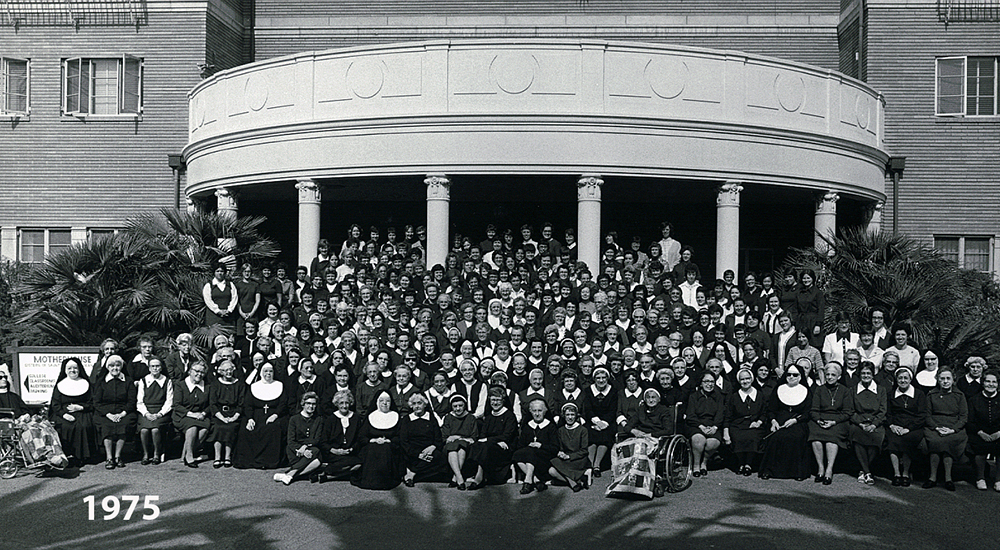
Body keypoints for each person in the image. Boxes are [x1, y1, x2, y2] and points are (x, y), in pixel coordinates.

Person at [758, 364, 812, 481]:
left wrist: (795, 420)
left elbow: (807, 412)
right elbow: (771, 409)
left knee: (797, 437)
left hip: (798, 420)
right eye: (789, 374)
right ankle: (769, 471)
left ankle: (797, 472)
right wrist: (773, 421)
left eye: (795, 375)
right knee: (775, 437)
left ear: (800, 376)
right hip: (779, 420)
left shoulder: (806, 391)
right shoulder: (778, 389)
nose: (791, 377)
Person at [234, 363, 289, 469]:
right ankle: (250, 460)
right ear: (261, 373)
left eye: (270, 371)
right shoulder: (254, 386)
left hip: (275, 415)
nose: (268, 373)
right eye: (265, 371)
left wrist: (275, 415)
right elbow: (248, 405)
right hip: (255, 415)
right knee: (245, 430)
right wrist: (250, 418)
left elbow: (283, 403)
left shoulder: (279, 385)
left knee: (272, 429)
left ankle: (268, 461)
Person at [923, 368, 968, 491]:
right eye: (942, 378)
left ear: (953, 380)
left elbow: (963, 417)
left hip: (953, 427)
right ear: (937, 380)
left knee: (949, 440)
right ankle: (932, 478)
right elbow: (927, 415)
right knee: (935, 441)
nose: (945, 381)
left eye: (948, 378)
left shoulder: (959, 395)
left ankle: (948, 479)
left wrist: (952, 430)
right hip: (935, 426)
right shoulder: (931, 394)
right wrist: (936, 428)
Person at [808, 362, 853, 485]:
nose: (829, 377)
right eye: (827, 374)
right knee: (816, 437)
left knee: (831, 439)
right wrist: (818, 420)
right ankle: (820, 468)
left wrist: (833, 422)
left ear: (838, 377)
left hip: (838, 421)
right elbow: (814, 410)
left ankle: (829, 469)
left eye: (833, 375)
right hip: (821, 418)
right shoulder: (820, 389)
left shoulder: (845, 391)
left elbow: (848, 412)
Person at [91, 355, 137, 470]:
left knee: (124, 424)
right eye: (112, 366)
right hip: (105, 412)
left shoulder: (128, 381)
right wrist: (109, 415)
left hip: (124, 411)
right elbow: (97, 402)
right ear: (107, 367)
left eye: (117, 365)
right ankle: (109, 458)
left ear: (121, 367)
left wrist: (122, 414)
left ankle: (118, 457)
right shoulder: (101, 382)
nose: (115, 368)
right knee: (106, 425)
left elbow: (132, 401)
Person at [49, 357, 96, 465]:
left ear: (79, 369)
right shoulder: (60, 385)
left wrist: (82, 407)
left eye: (75, 368)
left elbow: (93, 402)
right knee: (65, 426)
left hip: (83, 411)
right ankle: (66, 455)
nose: (72, 370)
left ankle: (83, 457)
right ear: (65, 370)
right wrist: (64, 414)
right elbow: (55, 404)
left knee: (83, 425)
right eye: (69, 368)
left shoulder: (87, 384)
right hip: (64, 413)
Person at [352, 390, 404, 490]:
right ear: (377, 402)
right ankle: (371, 480)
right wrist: (372, 440)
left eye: (388, 401)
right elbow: (362, 436)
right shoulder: (371, 417)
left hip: (391, 447)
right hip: (371, 446)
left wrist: (389, 441)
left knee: (385, 448)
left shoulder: (396, 416)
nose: (384, 403)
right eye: (381, 401)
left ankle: (384, 481)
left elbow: (400, 436)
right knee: (374, 448)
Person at [468, 387, 519, 488]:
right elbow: (483, 434)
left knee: (486, 447)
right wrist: (492, 441)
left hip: (505, 447)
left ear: (503, 401)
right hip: (493, 444)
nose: (495, 403)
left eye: (498, 400)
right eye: (493, 400)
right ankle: (479, 473)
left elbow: (507, 436)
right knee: (477, 445)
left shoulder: (509, 415)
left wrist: (490, 440)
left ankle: (479, 478)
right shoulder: (489, 416)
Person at [886, 367, 926, 487]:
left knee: (908, 439)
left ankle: (906, 473)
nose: (903, 380)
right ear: (896, 380)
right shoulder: (891, 394)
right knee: (892, 439)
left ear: (910, 379)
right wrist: (892, 425)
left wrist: (909, 428)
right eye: (900, 378)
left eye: (905, 378)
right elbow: (888, 413)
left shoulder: (919, 394)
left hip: (913, 426)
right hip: (895, 425)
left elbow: (922, 414)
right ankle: (897, 473)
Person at [273, 392, 324, 485]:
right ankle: (297, 474)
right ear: (303, 404)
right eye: (308, 403)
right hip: (295, 450)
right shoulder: (294, 419)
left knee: (316, 452)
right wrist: (301, 450)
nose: (311, 406)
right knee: (316, 460)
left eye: (313, 404)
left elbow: (317, 439)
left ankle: (289, 474)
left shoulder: (319, 419)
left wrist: (305, 447)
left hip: (310, 449)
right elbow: (291, 440)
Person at [399, 393, 448, 487]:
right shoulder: (406, 419)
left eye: (419, 403)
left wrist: (433, 447)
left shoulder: (431, 418)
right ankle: (416, 475)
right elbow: (404, 441)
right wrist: (418, 454)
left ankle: (412, 473)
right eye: (414, 404)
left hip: (429, 450)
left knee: (440, 458)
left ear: (425, 404)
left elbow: (438, 438)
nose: (417, 406)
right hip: (412, 451)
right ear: (411, 406)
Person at [723, 368, 767, 476]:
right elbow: (728, 416)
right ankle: (741, 463)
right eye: (742, 379)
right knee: (738, 437)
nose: (745, 381)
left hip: (755, 424)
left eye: (747, 378)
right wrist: (726, 432)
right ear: (739, 381)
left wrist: (759, 422)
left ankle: (748, 464)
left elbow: (764, 413)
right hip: (737, 425)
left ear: (752, 379)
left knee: (752, 436)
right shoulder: (734, 397)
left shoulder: (759, 395)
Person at [849, 362, 887, 485]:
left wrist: (874, 424)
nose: (866, 376)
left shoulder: (881, 390)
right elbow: (850, 410)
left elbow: (882, 411)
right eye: (863, 373)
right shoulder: (853, 390)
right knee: (857, 435)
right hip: (858, 423)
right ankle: (868, 473)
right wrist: (860, 423)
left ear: (873, 374)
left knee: (876, 437)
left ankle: (863, 471)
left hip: (875, 423)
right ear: (859, 374)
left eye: (868, 373)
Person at [513, 397, 560, 494]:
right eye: (534, 411)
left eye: (540, 410)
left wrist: (541, 445)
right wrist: (529, 446)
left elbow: (555, 448)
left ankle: (528, 482)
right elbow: (520, 446)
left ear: (545, 411)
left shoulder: (550, 427)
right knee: (517, 454)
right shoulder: (527, 426)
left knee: (531, 452)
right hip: (530, 457)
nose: (537, 414)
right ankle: (535, 480)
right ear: (530, 411)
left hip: (545, 459)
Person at [173, 361, 211, 468]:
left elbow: (211, 404)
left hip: (201, 416)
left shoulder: (207, 387)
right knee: (192, 426)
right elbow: (176, 405)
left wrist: (203, 413)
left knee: (204, 429)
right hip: (182, 416)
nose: (199, 374)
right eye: (197, 371)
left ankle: (185, 453)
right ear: (190, 371)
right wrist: (191, 414)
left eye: (202, 372)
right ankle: (189, 455)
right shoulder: (180, 385)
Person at [967, 369, 1000, 491]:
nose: (991, 384)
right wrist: (980, 432)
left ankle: (998, 479)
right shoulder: (974, 400)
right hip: (979, 433)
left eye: (994, 382)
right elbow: (970, 421)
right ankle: (980, 478)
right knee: (978, 446)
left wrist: (999, 433)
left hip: (998, 433)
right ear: (983, 382)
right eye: (988, 381)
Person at [686, 371, 724, 477]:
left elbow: (720, 414)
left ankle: (704, 462)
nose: (709, 384)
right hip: (697, 425)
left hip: (713, 426)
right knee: (699, 440)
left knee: (713, 443)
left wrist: (715, 427)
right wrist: (701, 426)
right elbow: (690, 415)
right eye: (706, 381)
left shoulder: (718, 397)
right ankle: (696, 465)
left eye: (712, 381)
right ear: (701, 383)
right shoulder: (694, 397)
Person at [208, 359, 245, 468]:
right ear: (220, 371)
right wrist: (221, 417)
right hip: (219, 413)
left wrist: (234, 416)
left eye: (230, 369)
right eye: (225, 370)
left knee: (231, 427)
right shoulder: (215, 384)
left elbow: (241, 403)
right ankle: (217, 457)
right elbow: (213, 404)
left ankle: (227, 457)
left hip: (234, 413)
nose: (228, 372)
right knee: (218, 427)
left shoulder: (239, 384)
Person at [136, 356, 173, 465]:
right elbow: (139, 400)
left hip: (161, 411)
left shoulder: (167, 381)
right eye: (152, 366)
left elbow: (169, 401)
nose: (155, 368)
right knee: (144, 430)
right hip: (146, 411)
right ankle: (146, 454)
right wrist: (146, 413)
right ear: (149, 368)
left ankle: (157, 453)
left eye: (157, 366)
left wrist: (160, 414)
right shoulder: (143, 381)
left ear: (161, 368)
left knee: (155, 429)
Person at [319, 389, 362, 480]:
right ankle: (334, 471)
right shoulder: (330, 419)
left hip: (350, 453)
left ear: (350, 403)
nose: (344, 406)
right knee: (355, 463)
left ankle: (329, 476)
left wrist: (351, 449)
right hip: (334, 453)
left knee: (359, 464)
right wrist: (334, 450)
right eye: (341, 403)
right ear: (337, 404)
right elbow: (323, 441)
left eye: (347, 403)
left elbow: (359, 438)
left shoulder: (356, 418)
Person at [549, 402, 591, 492]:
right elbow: (560, 448)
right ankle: (577, 480)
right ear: (563, 416)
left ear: (576, 415)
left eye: (572, 414)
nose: (570, 417)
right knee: (551, 470)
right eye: (567, 414)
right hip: (565, 459)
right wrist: (561, 453)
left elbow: (584, 450)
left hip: (578, 459)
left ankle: (569, 482)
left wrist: (570, 456)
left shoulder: (583, 430)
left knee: (558, 468)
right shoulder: (560, 430)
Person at [584, 367, 617, 477]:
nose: (601, 380)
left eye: (603, 378)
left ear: (607, 378)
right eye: (598, 378)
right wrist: (597, 422)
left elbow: (613, 410)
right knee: (591, 436)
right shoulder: (588, 390)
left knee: (605, 435)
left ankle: (596, 465)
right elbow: (587, 409)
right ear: (594, 379)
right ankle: (590, 464)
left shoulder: (612, 391)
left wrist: (604, 423)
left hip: (608, 422)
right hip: (592, 421)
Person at [441, 394, 479, 489]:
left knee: (462, 448)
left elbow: (473, 437)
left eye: (460, 406)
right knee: (452, 447)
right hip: (451, 445)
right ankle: (460, 477)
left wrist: (458, 437)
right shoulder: (448, 417)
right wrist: (456, 438)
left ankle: (456, 478)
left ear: (464, 405)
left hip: (465, 445)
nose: (458, 409)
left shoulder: (471, 418)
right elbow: (445, 437)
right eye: (455, 406)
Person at [203, 261, 238, 330]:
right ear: (214, 272)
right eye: (217, 271)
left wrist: (229, 310)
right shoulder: (209, 286)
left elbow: (234, 298)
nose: (220, 273)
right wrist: (218, 311)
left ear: (224, 272)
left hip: (228, 318)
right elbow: (208, 301)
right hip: (213, 318)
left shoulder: (230, 285)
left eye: (221, 271)